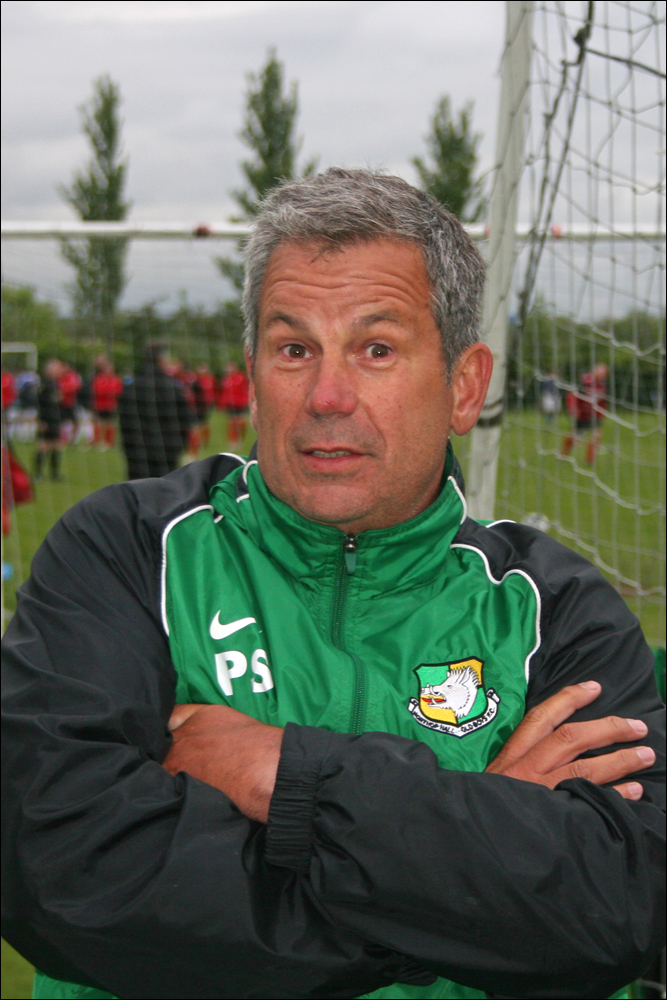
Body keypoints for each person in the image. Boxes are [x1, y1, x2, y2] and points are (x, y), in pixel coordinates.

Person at [2, 170, 664, 1000]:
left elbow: (619, 907)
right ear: (253, 376)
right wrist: (466, 863)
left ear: (463, 387)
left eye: (375, 349)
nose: (326, 396)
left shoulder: (555, 611)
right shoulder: (128, 551)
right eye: (294, 349)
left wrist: (291, 777)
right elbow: (63, 872)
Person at [117, 343, 192, 480]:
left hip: (136, 451)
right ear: (161, 360)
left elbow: (123, 421)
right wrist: (180, 446)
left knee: (137, 488)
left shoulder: (131, 386)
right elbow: (184, 421)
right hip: (166, 451)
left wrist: (127, 447)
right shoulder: (172, 387)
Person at [562, 363, 608, 464]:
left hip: (594, 415)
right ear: (594, 371)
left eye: (604, 374)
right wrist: (573, 408)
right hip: (582, 414)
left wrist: (602, 412)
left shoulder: (602, 386)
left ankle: (589, 460)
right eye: (600, 373)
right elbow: (572, 395)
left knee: (597, 435)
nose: (602, 376)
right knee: (574, 436)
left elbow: (602, 401)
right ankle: (564, 454)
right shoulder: (584, 382)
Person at [34, 358, 64, 481]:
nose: (60, 370)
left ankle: (55, 474)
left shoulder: (55, 384)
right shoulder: (45, 385)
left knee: (57, 446)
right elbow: (40, 405)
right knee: (43, 446)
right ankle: (38, 474)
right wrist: (42, 421)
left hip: (55, 419)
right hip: (46, 420)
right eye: (57, 368)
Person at [91, 354, 124, 450]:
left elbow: (118, 391)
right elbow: (97, 390)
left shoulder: (116, 379)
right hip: (100, 404)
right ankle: (97, 441)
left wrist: (109, 393)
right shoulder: (99, 378)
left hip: (111, 405)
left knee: (110, 423)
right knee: (98, 422)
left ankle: (108, 442)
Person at [217, 359, 249, 449]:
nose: (229, 369)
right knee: (232, 423)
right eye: (228, 367)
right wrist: (222, 404)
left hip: (241, 403)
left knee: (242, 422)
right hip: (231, 404)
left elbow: (245, 389)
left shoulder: (241, 377)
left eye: (231, 367)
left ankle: (242, 437)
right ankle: (234, 441)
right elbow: (224, 392)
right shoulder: (226, 379)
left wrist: (246, 400)